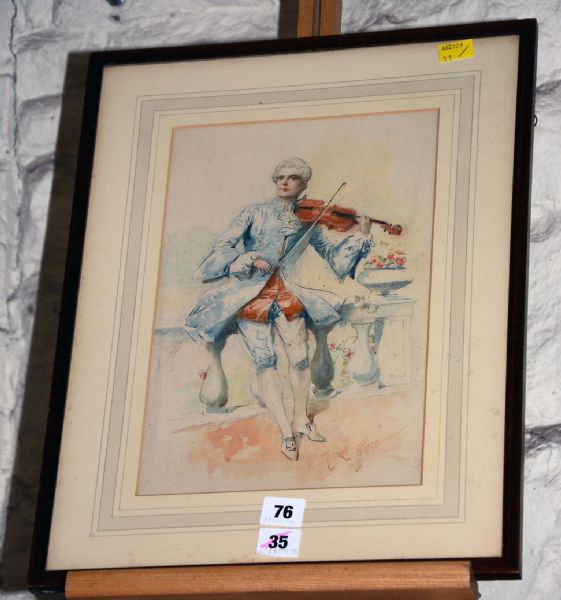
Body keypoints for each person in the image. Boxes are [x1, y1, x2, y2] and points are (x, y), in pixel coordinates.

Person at [185, 158, 372, 461]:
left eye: (293, 177)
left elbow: (334, 259)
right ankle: (286, 432)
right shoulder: (253, 213)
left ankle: (301, 420)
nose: (284, 182)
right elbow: (222, 247)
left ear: (303, 184)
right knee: (265, 362)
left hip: (287, 295)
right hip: (252, 296)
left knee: (300, 360)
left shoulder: (309, 219)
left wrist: (361, 235)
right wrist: (248, 258)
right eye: (280, 177)